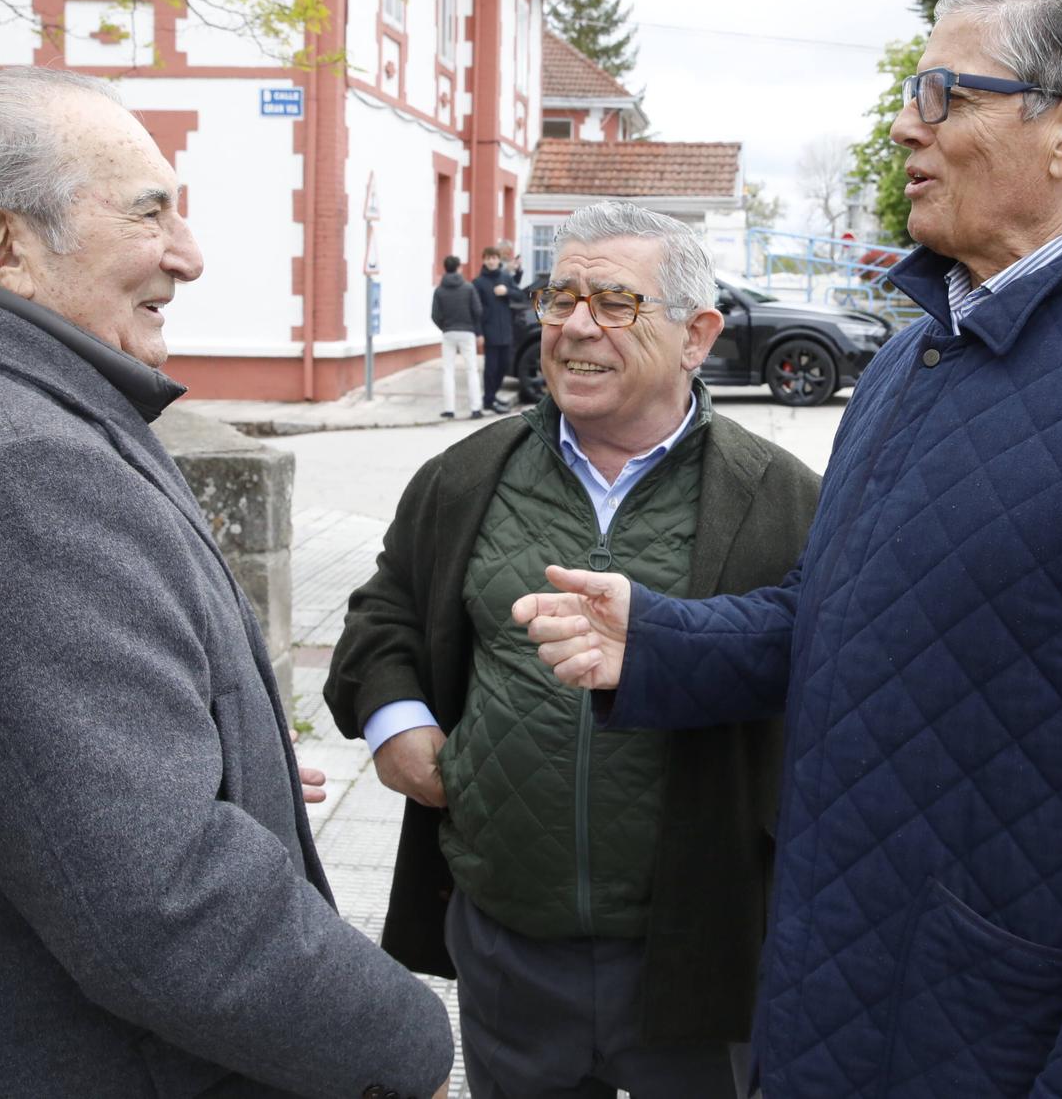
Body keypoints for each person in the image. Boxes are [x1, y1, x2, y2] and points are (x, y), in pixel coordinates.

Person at [518, 0, 1062, 1097]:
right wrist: (656, 642)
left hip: (1002, 1035)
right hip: (836, 1002)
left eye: (945, 93)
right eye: (911, 91)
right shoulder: (911, 357)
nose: (904, 125)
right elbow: (838, 615)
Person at [0, 67, 452, 1098]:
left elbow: (19, 761)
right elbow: (162, 900)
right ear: (4, 248)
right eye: (148, 212)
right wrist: (405, 1045)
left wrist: (223, 762)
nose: (189, 253)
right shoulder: (12, 469)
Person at [325, 201, 821, 1099]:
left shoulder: (781, 499)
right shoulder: (467, 475)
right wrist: (395, 722)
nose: (576, 325)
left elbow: (824, 675)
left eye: (616, 302)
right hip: (512, 943)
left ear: (696, 334)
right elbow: (385, 612)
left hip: (697, 954)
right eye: (561, 298)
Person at [432, 253, 484, 419]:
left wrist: (445, 327)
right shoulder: (468, 287)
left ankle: (449, 410)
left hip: (448, 333)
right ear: (459, 268)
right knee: (471, 370)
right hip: (467, 332)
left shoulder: (439, 290)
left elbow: (435, 315)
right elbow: (478, 311)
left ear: (445, 268)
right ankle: (476, 409)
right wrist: (475, 328)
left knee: (448, 370)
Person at [474, 245, 515, 413]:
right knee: (491, 368)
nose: (491, 261)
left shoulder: (505, 278)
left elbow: (519, 294)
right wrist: (478, 333)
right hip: (489, 331)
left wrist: (507, 291)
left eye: (494, 258)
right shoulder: (478, 282)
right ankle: (488, 400)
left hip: (506, 329)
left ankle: (493, 395)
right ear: (484, 260)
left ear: (498, 260)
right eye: (488, 258)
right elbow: (474, 310)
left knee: (504, 366)